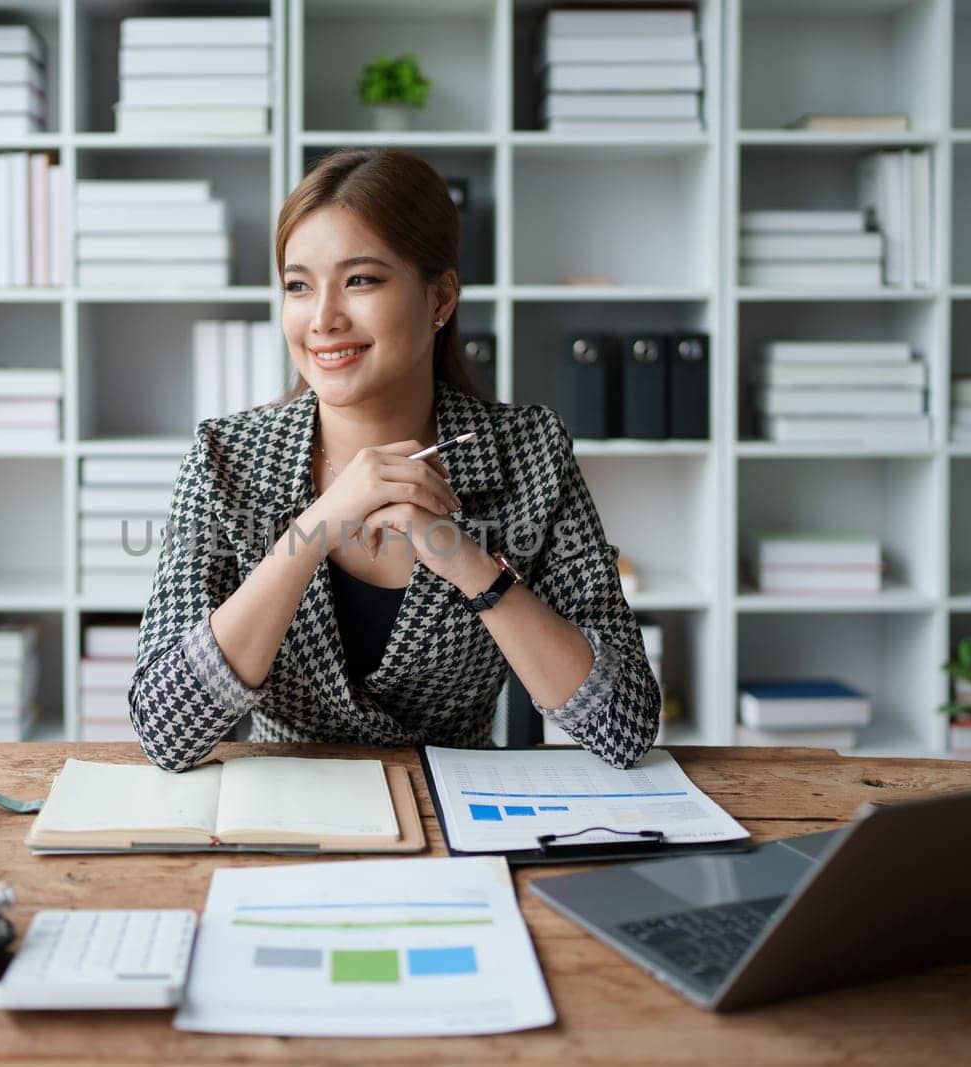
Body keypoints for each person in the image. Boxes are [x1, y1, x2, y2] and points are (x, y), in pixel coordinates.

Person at [128, 147, 659, 773]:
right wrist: (316, 529)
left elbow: (626, 726)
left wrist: (467, 562)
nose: (322, 318)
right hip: (286, 820)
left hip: (460, 819)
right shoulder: (227, 457)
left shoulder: (527, 451)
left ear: (440, 298)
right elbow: (163, 730)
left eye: (361, 280)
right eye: (298, 286)